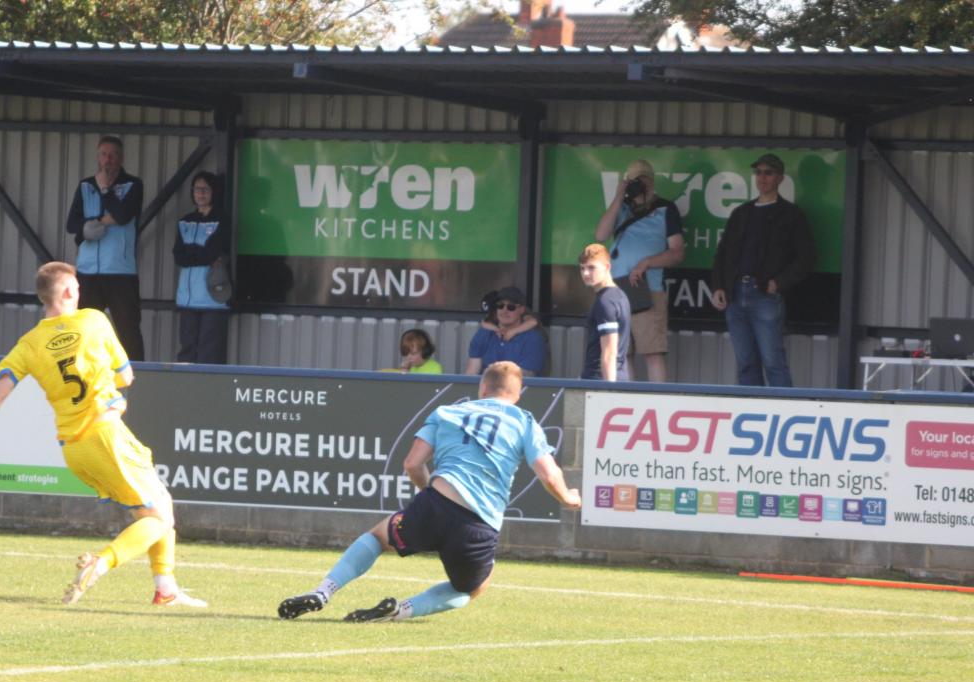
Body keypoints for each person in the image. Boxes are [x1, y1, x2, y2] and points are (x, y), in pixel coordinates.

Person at [0, 261, 205, 610]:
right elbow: (126, 376)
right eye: (77, 286)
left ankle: (166, 590)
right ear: (71, 291)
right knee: (160, 519)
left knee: (153, 510)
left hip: (74, 448)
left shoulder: (29, 344)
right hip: (105, 433)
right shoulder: (94, 320)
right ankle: (100, 564)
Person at [278, 360, 581, 622]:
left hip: (434, 504)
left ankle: (323, 591)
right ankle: (400, 609)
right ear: (517, 394)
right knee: (471, 588)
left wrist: (431, 497)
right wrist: (569, 497)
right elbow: (548, 474)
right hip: (478, 524)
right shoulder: (524, 422)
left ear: (482, 388)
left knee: (378, 537)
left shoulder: (447, 412)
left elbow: (412, 464)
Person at [709, 153, 815, 387]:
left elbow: (806, 258)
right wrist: (718, 286)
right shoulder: (741, 213)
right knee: (745, 363)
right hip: (735, 295)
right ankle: (751, 407)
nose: (762, 178)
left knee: (773, 362)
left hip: (765, 295)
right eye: (758, 172)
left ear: (780, 178)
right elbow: (722, 254)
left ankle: (783, 408)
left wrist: (779, 283)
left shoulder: (791, 215)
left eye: (768, 173)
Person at [594, 158, 685, 383]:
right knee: (623, 353)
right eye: (635, 181)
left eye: (644, 180)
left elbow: (677, 253)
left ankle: (657, 400)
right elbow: (601, 235)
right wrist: (619, 197)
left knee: (652, 352)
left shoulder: (665, 208)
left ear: (652, 181)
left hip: (647, 288)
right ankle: (626, 399)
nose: (640, 185)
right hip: (618, 287)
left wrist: (647, 262)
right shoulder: (622, 209)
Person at [64, 135, 145, 362]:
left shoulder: (133, 185)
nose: (108, 159)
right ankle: (84, 373)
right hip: (88, 271)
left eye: (112, 155)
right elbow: (71, 224)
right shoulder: (85, 186)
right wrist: (87, 228)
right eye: (103, 154)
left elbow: (122, 215)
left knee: (128, 330)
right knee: (84, 330)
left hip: (121, 271)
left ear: (121, 158)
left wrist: (105, 189)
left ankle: (137, 374)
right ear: (98, 157)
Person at [174, 171, 230, 364]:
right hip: (187, 299)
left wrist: (192, 251)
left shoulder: (222, 220)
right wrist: (200, 253)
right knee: (187, 351)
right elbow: (179, 256)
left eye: (205, 189)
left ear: (214, 192)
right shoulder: (185, 221)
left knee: (209, 353)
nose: (201, 193)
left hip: (212, 298)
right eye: (197, 189)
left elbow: (212, 252)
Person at [464, 287, 547, 377]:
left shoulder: (533, 339)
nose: (504, 311)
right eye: (500, 306)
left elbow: (526, 376)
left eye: (511, 307)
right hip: (486, 385)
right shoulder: (484, 333)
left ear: (522, 309)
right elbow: (471, 373)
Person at [579, 244, 630, 381]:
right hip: (618, 377)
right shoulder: (620, 295)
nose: (585, 273)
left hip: (599, 380)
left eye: (591, 267)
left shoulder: (605, 301)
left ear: (607, 267)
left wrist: (608, 389)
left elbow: (609, 353)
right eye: (582, 268)